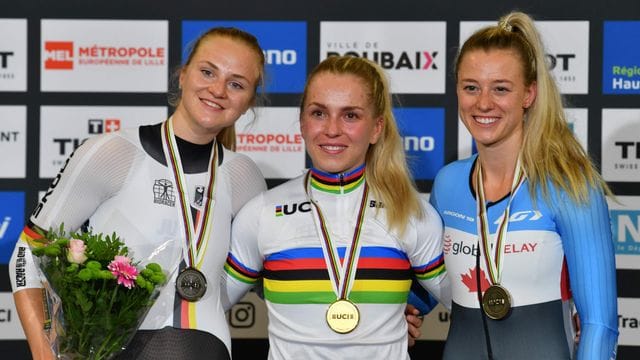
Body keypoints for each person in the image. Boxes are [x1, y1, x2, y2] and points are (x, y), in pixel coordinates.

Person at [9, 27, 268, 360]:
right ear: (182, 75)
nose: (218, 90)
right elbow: (28, 250)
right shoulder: (114, 152)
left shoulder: (245, 177)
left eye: (236, 84)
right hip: (107, 349)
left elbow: (250, 278)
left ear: (248, 103)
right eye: (207, 72)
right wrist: (45, 352)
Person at [221, 55, 451, 359]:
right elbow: (205, 308)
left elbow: (469, 308)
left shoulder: (411, 213)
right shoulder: (263, 213)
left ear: (376, 128)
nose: (332, 129)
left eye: (350, 116)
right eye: (319, 113)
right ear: (302, 123)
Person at [428, 11, 618, 359]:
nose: (483, 103)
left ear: (528, 94)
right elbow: (428, 289)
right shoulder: (448, 183)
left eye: (500, 88)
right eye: (471, 87)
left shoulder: (570, 186)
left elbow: (599, 325)